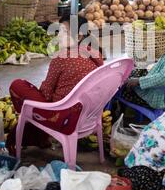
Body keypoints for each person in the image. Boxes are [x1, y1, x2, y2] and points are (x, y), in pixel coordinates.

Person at [6, 14, 103, 152]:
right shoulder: (95, 54)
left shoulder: (61, 58)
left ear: (79, 36)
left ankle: (35, 134)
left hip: (63, 118)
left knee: (18, 85)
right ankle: (38, 135)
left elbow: (46, 94)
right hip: (89, 116)